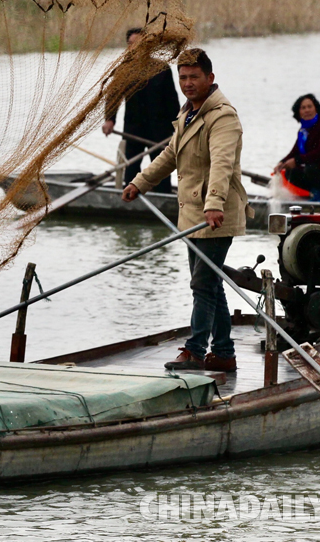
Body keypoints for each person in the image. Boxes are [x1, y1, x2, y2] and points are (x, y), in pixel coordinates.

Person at [121, 49, 251, 372]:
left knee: (202, 285)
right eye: (183, 77)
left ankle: (195, 351)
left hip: (216, 216)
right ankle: (223, 353)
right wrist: (140, 182)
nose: (188, 83)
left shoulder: (222, 116)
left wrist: (214, 204)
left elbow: (222, 163)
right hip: (193, 215)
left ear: (210, 78)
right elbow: (169, 155)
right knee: (210, 284)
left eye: (195, 77)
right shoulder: (188, 114)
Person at [102, 27, 180, 193]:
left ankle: (162, 198)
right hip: (134, 128)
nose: (135, 48)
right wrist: (110, 119)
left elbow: (172, 101)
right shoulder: (124, 69)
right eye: (131, 44)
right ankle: (129, 198)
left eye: (139, 44)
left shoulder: (162, 69)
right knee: (131, 168)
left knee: (160, 171)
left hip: (160, 130)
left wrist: (178, 127)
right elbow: (113, 96)